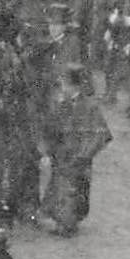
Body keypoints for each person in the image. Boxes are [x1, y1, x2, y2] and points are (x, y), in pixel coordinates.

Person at [36, 68, 112, 236]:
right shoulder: (63, 105)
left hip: (79, 158)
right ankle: (62, 222)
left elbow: (102, 134)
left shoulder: (90, 106)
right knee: (59, 189)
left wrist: (85, 154)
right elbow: (51, 129)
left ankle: (69, 223)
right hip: (62, 156)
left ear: (73, 85)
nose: (62, 88)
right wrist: (47, 150)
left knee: (75, 191)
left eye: (64, 84)